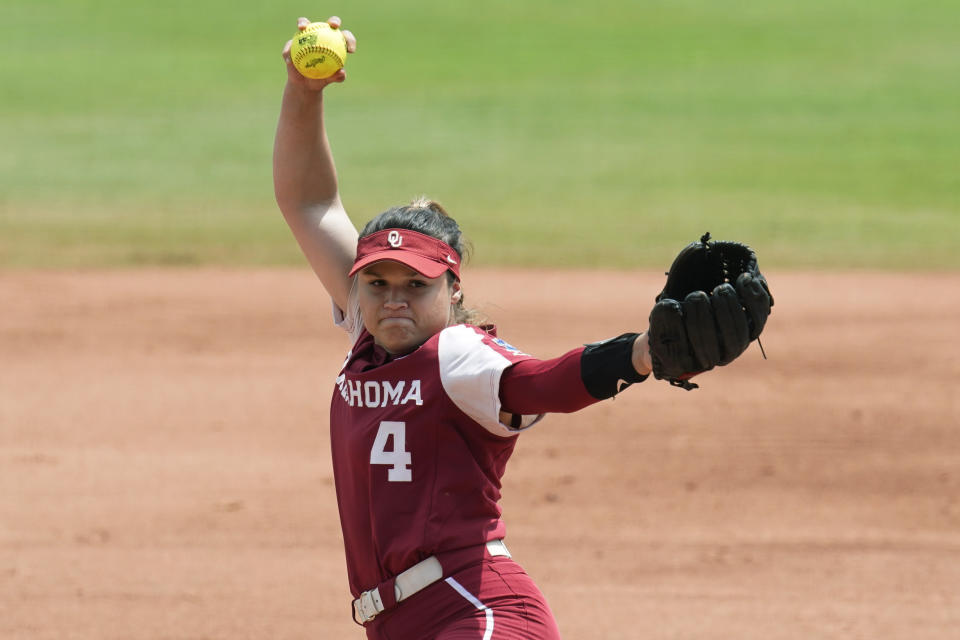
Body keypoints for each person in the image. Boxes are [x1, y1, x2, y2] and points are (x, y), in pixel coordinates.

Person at [274, 17, 655, 640]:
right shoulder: (367, 337)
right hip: (402, 622)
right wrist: (302, 91)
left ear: (453, 291)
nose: (394, 301)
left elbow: (543, 383)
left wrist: (640, 355)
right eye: (378, 284)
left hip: (475, 612)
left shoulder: (459, 356)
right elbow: (309, 203)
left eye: (416, 286)